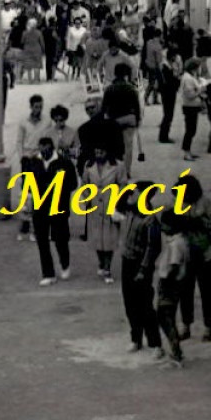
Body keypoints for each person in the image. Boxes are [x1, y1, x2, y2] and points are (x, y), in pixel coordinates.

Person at [22, 136, 75, 286]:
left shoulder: (64, 163)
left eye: (46, 150)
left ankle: (65, 264)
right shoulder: (33, 163)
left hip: (58, 206)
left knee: (60, 238)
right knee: (42, 241)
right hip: (39, 207)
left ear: (52, 148)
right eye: (41, 150)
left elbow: (72, 184)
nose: (43, 153)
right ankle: (48, 273)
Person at [117, 183, 163, 356]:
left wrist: (143, 269)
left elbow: (153, 248)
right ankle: (136, 338)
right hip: (127, 262)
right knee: (129, 303)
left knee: (145, 305)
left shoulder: (150, 220)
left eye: (134, 193)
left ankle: (155, 343)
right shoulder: (129, 212)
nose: (130, 195)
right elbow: (118, 202)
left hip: (140, 264)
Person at [182, 175, 211, 342]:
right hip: (186, 254)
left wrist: (200, 222)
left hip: (205, 253)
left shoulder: (206, 202)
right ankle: (186, 325)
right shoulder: (179, 202)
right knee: (185, 292)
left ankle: (208, 327)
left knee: (207, 292)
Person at [153, 210, 191, 368]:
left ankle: (176, 354)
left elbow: (174, 266)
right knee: (167, 317)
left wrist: (166, 282)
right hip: (174, 284)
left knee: (165, 318)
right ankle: (176, 352)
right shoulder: (181, 241)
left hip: (170, 284)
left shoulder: (176, 244)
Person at [82, 145, 127, 281]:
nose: (98, 155)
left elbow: (123, 184)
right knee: (97, 238)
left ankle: (107, 268)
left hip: (110, 205)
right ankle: (101, 262)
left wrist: (117, 202)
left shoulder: (118, 166)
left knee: (109, 239)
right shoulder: (89, 165)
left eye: (101, 151)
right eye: (96, 152)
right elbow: (84, 184)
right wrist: (87, 198)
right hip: (95, 207)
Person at [15, 95, 52, 243]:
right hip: (27, 158)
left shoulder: (46, 122)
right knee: (27, 193)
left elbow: (48, 140)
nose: (38, 110)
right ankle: (25, 223)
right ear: (31, 106)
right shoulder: (23, 122)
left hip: (39, 158)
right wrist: (22, 156)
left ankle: (36, 224)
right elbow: (19, 141)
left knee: (39, 191)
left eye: (40, 107)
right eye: (36, 107)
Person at [101, 61, 144, 163]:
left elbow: (104, 107)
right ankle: (126, 170)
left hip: (114, 120)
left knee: (114, 145)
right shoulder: (131, 89)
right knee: (128, 146)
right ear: (126, 75)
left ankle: (116, 168)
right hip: (129, 119)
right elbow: (137, 106)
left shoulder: (110, 89)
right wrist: (138, 119)